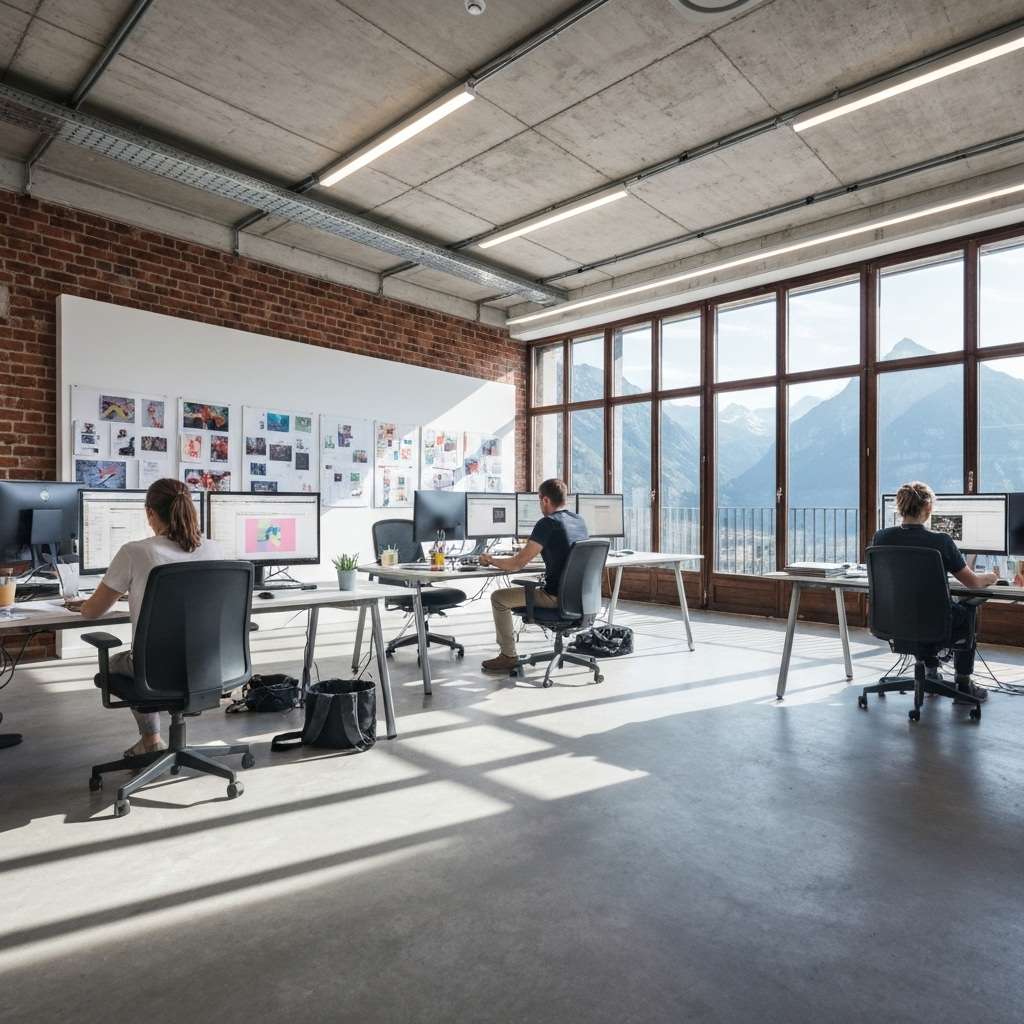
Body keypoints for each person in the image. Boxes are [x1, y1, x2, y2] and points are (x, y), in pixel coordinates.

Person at [65, 478, 225, 755]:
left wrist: (83, 603)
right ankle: (152, 742)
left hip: (155, 669)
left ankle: (151, 741)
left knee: (113, 664)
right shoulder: (214, 550)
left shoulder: (135, 552)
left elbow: (92, 612)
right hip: (208, 663)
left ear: (150, 512)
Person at [872, 481, 997, 703]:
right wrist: (991, 577)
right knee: (967, 609)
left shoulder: (881, 538)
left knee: (924, 613)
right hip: (935, 621)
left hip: (893, 619)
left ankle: (930, 675)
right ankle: (963, 684)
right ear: (928, 508)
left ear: (899, 508)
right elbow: (973, 584)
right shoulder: (941, 541)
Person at [478, 478, 589, 673]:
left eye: (539, 501)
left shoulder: (548, 523)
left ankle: (508, 656)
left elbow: (518, 563)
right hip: (580, 599)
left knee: (498, 598)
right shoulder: (579, 521)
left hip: (554, 598)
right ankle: (507, 654)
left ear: (545, 500)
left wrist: (492, 560)